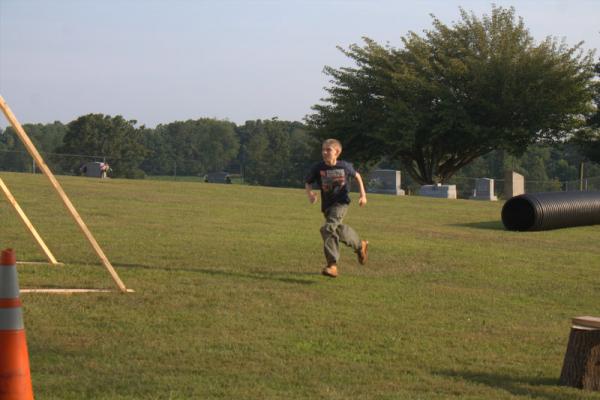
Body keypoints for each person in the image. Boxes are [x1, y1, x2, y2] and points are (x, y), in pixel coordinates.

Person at [304, 138, 368, 278]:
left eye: (328, 150)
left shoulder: (344, 166)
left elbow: (357, 176)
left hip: (341, 203)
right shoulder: (318, 168)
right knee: (337, 229)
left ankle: (332, 265)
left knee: (327, 229)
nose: (325, 152)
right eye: (323, 150)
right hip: (327, 206)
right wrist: (310, 194)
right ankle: (360, 245)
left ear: (337, 152)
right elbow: (308, 182)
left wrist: (363, 195)